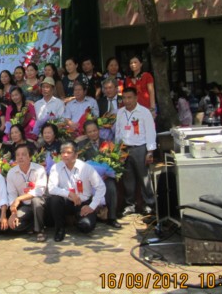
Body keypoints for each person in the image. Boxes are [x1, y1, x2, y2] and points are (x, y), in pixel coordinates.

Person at [47, 141, 106, 242]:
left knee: (86, 226)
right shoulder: (56, 167)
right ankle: (60, 229)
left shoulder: (86, 168)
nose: (65, 155)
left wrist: (92, 206)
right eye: (63, 152)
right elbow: (51, 188)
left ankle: (77, 221)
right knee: (55, 199)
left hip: (82, 203)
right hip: (66, 202)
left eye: (68, 152)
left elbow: (101, 187)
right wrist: (69, 194)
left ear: (76, 154)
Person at [115, 87, 157, 216]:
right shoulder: (120, 112)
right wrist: (117, 150)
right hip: (124, 149)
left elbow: (150, 131)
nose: (127, 101)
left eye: (129, 97)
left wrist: (150, 151)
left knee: (144, 177)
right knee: (128, 179)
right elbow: (118, 132)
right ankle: (130, 205)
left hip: (140, 148)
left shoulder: (144, 112)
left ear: (136, 98)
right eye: (124, 98)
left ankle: (149, 204)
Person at [76, 120, 121, 228]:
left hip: (105, 176)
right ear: (86, 133)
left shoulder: (107, 144)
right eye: (89, 132)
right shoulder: (81, 146)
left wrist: (107, 174)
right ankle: (91, 215)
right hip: (89, 178)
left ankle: (112, 218)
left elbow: (115, 162)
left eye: (95, 130)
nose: (93, 133)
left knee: (111, 187)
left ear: (99, 130)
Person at [6, 144, 48, 242]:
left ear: (30, 156)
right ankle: (32, 224)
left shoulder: (39, 169)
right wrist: (13, 212)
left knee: (36, 201)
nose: (20, 157)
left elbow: (39, 191)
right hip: (25, 206)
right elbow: (12, 194)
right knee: (13, 225)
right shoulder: (11, 173)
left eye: (24, 154)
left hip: (41, 204)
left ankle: (40, 231)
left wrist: (19, 198)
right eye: (18, 155)